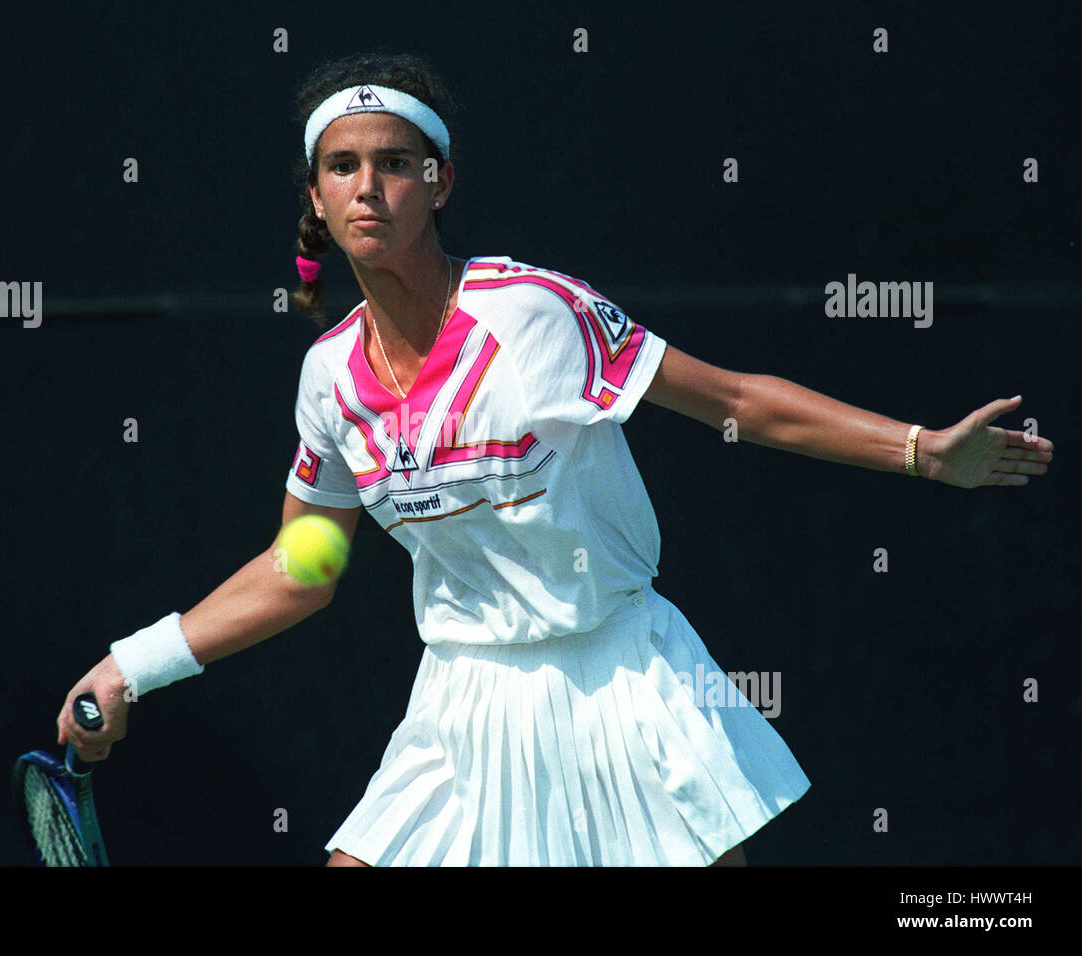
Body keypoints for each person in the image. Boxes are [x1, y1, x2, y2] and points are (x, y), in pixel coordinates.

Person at [56, 52, 1053, 866]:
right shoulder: (328, 379)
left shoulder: (539, 312)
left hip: (620, 675)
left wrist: (924, 452)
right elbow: (300, 568)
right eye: (344, 165)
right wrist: (130, 665)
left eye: (396, 162)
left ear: (439, 181)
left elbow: (737, 403)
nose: (370, 186)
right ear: (314, 196)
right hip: (463, 699)